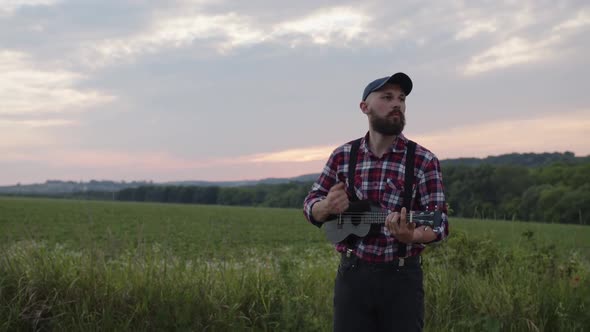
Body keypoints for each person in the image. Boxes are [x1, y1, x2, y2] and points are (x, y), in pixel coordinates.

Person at [302, 72, 449, 332]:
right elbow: (311, 204)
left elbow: (439, 224)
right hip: (352, 275)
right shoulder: (343, 156)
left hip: (402, 279)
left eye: (401, 99)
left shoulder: (423, 160)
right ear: (365, 107)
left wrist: (412, 236)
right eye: (387, 97)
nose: (397, 104)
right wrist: (325, 207)